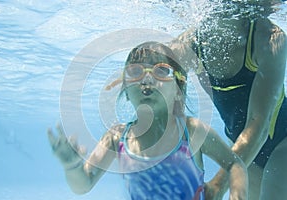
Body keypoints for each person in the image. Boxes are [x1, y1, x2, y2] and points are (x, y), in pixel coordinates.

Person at [48, 42, 248, 200]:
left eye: (161, 71)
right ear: (125, 91)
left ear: (179, 90)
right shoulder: (116, 138)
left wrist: (237, 195)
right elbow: (84, 185)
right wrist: (72, 166)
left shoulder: (191, 131)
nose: (147, 80)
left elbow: (234, 164)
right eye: (135, 72)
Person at [169, 0, 287, 199]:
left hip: (282, 142)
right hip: (242, 147)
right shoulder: (189, 44)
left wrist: (217, 185)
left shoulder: (268, 39)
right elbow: (171, 114)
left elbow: (259, 125)